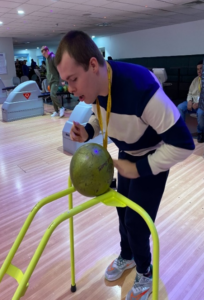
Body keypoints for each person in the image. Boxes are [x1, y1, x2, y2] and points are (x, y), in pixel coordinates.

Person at [55, 30, 195, 300]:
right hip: (127, 154)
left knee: (137, 223)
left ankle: (145, 271)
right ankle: (127, 256)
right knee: (122, 213)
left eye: (72, 79)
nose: (69, 89)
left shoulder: (141, 87)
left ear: (93, 65)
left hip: (153, 158)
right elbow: (104, 116)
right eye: (66, 81)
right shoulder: (95, 88)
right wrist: (87, 129)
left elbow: (183, 143)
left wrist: (140, 169)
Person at [177, 60, 204, 142]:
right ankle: (182, 132)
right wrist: (189, 101)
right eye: (197, 69)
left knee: (200, 113)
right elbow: (190, 93)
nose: (199, 71)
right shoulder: (195, 80)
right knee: (180, 107)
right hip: (193, 103)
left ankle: (201, 133)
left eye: (201, 68)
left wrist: (199, 104)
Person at [41, 46, 65, 117]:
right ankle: (56, 111)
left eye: (44, 52)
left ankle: (61, 107)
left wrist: (62, 80)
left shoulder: (53, 57)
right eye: (42, 53)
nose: (44, 54)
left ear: (47, 50)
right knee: (52, 96)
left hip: (55, 80)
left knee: (52, 94)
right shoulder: (46, 59)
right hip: (50, 80)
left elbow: (59, 69)